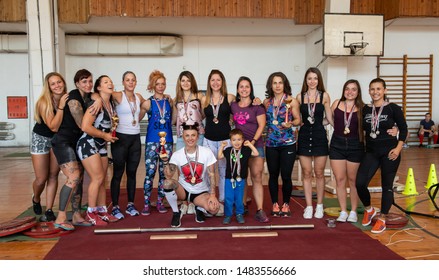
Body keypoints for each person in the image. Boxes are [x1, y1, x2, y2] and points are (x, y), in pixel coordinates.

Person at [356, 78, 408, 234]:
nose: (375, 92)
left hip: (390, 152)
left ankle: (383, 218)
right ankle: (369, 209)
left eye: (378, 89)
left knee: (387, 186)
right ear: (369, 91)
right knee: (360, 183)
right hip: (371, 152)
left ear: (385, 90)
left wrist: (398, 148)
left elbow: (404, 130)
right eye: (372, 89)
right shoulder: (366, 109)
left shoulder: (393, 108)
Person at [51, 69, 100, 230]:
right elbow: (83, 126)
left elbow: (95, 95)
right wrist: (103, 135)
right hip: (63, 142)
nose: (88, 84)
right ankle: (61, 216)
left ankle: (77, 215)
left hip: (76, 142)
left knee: (79, 179)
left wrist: (98, 98)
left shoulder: (88, 96)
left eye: (90, 81)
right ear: (77, 83)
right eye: (84, 81)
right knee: (73, 177)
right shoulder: (73, 99)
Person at [77, 75, 119, 225]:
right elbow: (85, 126)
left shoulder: (110, 104)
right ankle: (91, 213)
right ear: (99, 88)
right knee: (97, 178)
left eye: (111, 81)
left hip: (101, 145)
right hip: (88, 143)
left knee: (103, 180)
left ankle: (102, 211)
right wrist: (104, 135)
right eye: (106, 82)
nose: (110, 83)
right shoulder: (96, 103)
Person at [162, 122, 220, 227]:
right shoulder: (177, 154)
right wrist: (165, 161)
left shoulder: (206, 152)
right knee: (167, 183)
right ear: (183, 137)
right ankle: (176, 213)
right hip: (183, 190)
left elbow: (212, 175)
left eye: (193, 135)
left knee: (214, 209)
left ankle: (199, 208)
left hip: (200, 192)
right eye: (187, 135)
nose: (190, 138)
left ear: (198, 136)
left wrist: (212, 195)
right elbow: (168, 176)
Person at [31, 72, 69, 222]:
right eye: (53, 84)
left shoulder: (67, 98)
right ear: (48, 87)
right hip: (41, 138)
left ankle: (49, 210)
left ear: (63, 83)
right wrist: (60, 107)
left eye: (59, 82)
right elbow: (53, 126)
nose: (57, 86)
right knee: (41, 178)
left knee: (53, 175)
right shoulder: (43, 102)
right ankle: (36, 197)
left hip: (57, 139)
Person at [296, 67, 333, 219]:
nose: (312, 81)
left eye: (315, 78)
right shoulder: (300, 97)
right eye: (310, 78)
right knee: (306, 173)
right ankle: (309, 206)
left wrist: (340, 129)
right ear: (306, 80)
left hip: (319, 136)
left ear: (319, 80)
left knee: (319, 173)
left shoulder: (324, 96)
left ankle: (319, 205)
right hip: (304, 136)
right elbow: (298, 119)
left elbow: (329, 117)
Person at [231, 76, 269, 223]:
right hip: (239, 147)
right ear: (238, 89)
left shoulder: (257, 106)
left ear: (251, 89)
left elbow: (261, 126)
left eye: (247, 86)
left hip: (255, 145)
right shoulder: (233, 105)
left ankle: (260, 210)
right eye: (241, 86)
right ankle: (242, 206)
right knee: (241, 177)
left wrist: (252, 142)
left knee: (257, 177)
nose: (244, 89)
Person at [263, 72, 301, 217]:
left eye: (280, 82)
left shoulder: (292, 101)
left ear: (284, 84)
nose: (277, 86)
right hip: (271, 143)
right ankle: (274, 203)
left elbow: (298, 120)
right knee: (273, 175)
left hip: (288, 143)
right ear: (270, 85)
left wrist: (290, 123)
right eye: (274, 83)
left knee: (286, 176)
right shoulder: (267, 103)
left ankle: (285, 204)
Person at [329, 80, 364, 223]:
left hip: (355, 146)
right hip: (337, 144)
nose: (350, 92)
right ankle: (343, 210)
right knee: (340, 180)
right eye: (347, 89)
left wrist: (394, 130)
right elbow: (329, 119)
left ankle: (354, 211)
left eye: (353, 89)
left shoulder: (362, 107)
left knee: (353, 180)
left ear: (358, 92)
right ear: (344, 90)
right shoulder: (337, 103)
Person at [109, 71, 142, 220]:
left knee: (132, 173)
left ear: (136, 82)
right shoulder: (118, 95)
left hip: (135, 138)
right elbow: (102, 94)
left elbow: (150, 104)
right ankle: (115, 206)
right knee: (118, 173)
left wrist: (167, 97)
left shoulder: (139, 97)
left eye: (133, 80)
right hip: (120, 139)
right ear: (123, 82)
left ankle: (130, 204)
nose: (130, 82)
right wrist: (97, 100)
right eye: (127, 80)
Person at [141, 70, 174, 216]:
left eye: (163, 84)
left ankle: (160, 201)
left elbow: (173, 119)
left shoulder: (169, 101)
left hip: (167, 142)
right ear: (152, 85)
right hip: (152, 141)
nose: (160, 86)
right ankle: (147, 203)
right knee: (149, 172)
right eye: (158, 84)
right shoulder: (148, 103)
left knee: (163, 173)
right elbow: (135, 117)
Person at [201, 69, 235, 205]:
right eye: (213, 80)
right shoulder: (204, 99)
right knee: (209, 172)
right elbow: (201, 116)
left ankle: (223, 199)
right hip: (208, 140)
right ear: (209, 82)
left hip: (225, 141)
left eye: (218, 80)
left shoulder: (230, 97)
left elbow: (239, 109)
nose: (215, 83)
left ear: (222, 82)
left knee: (223, 171)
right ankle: (210, 198)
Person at [173, 70, 205, 215]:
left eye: (188, 80)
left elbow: (204, 114)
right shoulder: (176, 99)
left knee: (199, 167)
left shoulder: (199, 96)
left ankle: (196, 199)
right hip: (181, 136)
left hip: (198, 135)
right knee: (182, 167)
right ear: (179, 83)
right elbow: (174, 119)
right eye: (183, 80)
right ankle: (185, 200)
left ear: (192, 82)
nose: (185, 83)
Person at [218, 129, 259, 224]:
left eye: (239, 139)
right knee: (228, 197)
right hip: (229, 179)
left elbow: (256, 153)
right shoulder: (228, 150)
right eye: (234, 140)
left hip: (241, 179)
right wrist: (222, 146)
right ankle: (228, 215)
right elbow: (219, 156)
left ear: (243, 140)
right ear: (230, 141)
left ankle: (239, 214)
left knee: (239, 198)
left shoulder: (245, 150)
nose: (237, 142)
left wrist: (250, 145)